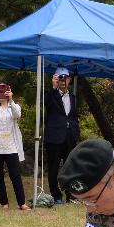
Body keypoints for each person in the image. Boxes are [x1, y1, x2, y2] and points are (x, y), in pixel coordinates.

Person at [0, 85, 29, 211]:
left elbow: (17, 115)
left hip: (11, 146)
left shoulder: (13, 107)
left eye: (5, 91)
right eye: (0, 91)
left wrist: (11, 100)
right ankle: (4, 202)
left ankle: (22, 203)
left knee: (15, 175)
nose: (2, 94)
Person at [44, 67, 79, 204]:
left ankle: (71, 194)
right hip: (54, 137)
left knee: (70, 166)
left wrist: (76, 130)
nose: (63, 81)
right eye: (60, 78)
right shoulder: (51, 94)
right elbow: (45, 104)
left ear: (69, 80)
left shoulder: (72, 97)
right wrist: (53, 87)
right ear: (55, 79)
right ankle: (56, 195)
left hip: (69, 137)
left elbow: (74, 116)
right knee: (53, 167)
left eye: (65, 78)